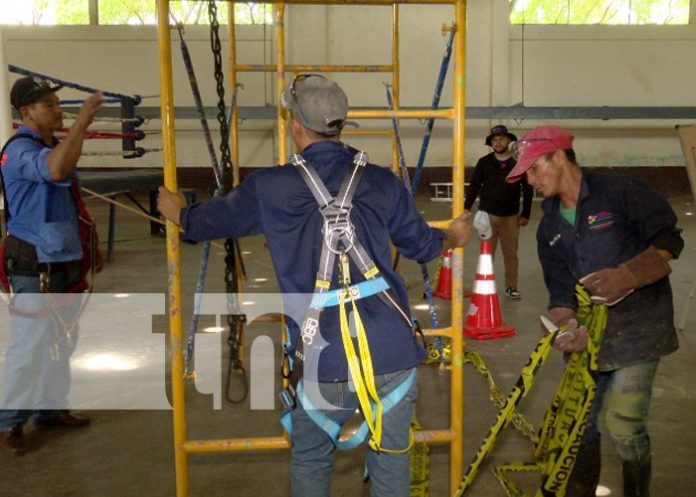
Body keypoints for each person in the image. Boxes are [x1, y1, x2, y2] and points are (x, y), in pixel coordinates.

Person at [158, 74, 472, 497]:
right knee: (391, 456)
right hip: (391, 352)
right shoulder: (381, 181)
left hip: (321, 359)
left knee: (310, 459)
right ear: (341, 125)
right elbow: (422, 244)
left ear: (296, 125)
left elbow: (208, 222)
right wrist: (453, 235)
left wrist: (179, 212)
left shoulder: (269, 187)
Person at [506, 124, 683, 497]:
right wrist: (564, 323)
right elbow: (560, 290)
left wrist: (631, 274)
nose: (531, 182)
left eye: (534, 170)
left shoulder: (618, 192)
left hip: (639, 331)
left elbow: (669, 236)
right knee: (579, 424)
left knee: (624, 425)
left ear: (558, 156)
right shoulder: (548, 227)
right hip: (589, 340)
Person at [0, 77, 103, 455]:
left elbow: (67, 199)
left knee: (61, 342)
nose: (58, 110)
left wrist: (87, 244)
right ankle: (9, 422)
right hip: (34, 267)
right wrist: (83, 122)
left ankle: (49, 408)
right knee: (29, 348)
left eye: (57, 103)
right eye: (48, 105)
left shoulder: (51, 146)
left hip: (64, 261)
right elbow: (57, 171)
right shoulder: (20, 152)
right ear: (25, 113)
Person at [465, 124, 533, 300]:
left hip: (511, 217)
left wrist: (526, 213)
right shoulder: (484, 163)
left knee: (511, 254)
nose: (499, 142)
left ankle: (511, 287)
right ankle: (483, 286)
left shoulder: (519, 164)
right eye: (495, 139)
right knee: (486, 254)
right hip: (487, 216)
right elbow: (473, 188)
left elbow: (527, 190)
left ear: (509, 141)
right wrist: (466, 208)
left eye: (502, 138)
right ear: (491, 143)